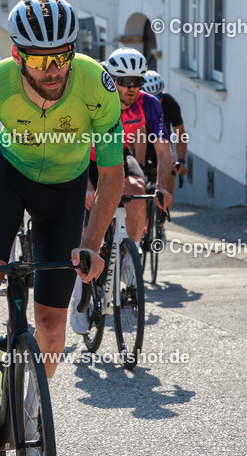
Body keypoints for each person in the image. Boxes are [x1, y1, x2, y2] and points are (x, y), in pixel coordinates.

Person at [0, 0, 126, 436]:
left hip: (66, 186)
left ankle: (31, 405)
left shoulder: (98, 86)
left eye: (62, 57)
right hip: (10, 178)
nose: (54, 70)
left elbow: (113, 174)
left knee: (51, 324)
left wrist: (92, 244)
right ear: (17, 56)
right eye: (41, 60)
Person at [72, 50, 175, 334]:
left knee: (138, 188)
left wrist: (164, 185)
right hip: (85, 159)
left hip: (116, 155)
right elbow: (76, 146)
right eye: (125, 80)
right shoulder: (95, 100)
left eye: (137, 80)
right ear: (111, 79)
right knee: (85, 224)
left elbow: (164, 151)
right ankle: (78, 295)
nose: (132, 87)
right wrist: (87, 185)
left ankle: (129, 255)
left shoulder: (149, 104)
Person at [142, 70, 188, 187]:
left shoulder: (170, 104)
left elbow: (181, 136)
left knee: (168, 184)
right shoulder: (136, 104)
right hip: (141, 145)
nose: (155, 101)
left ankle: (165, 205)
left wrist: (181, 161)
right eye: (151, 97)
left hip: (163, 145)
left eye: (158, 96)